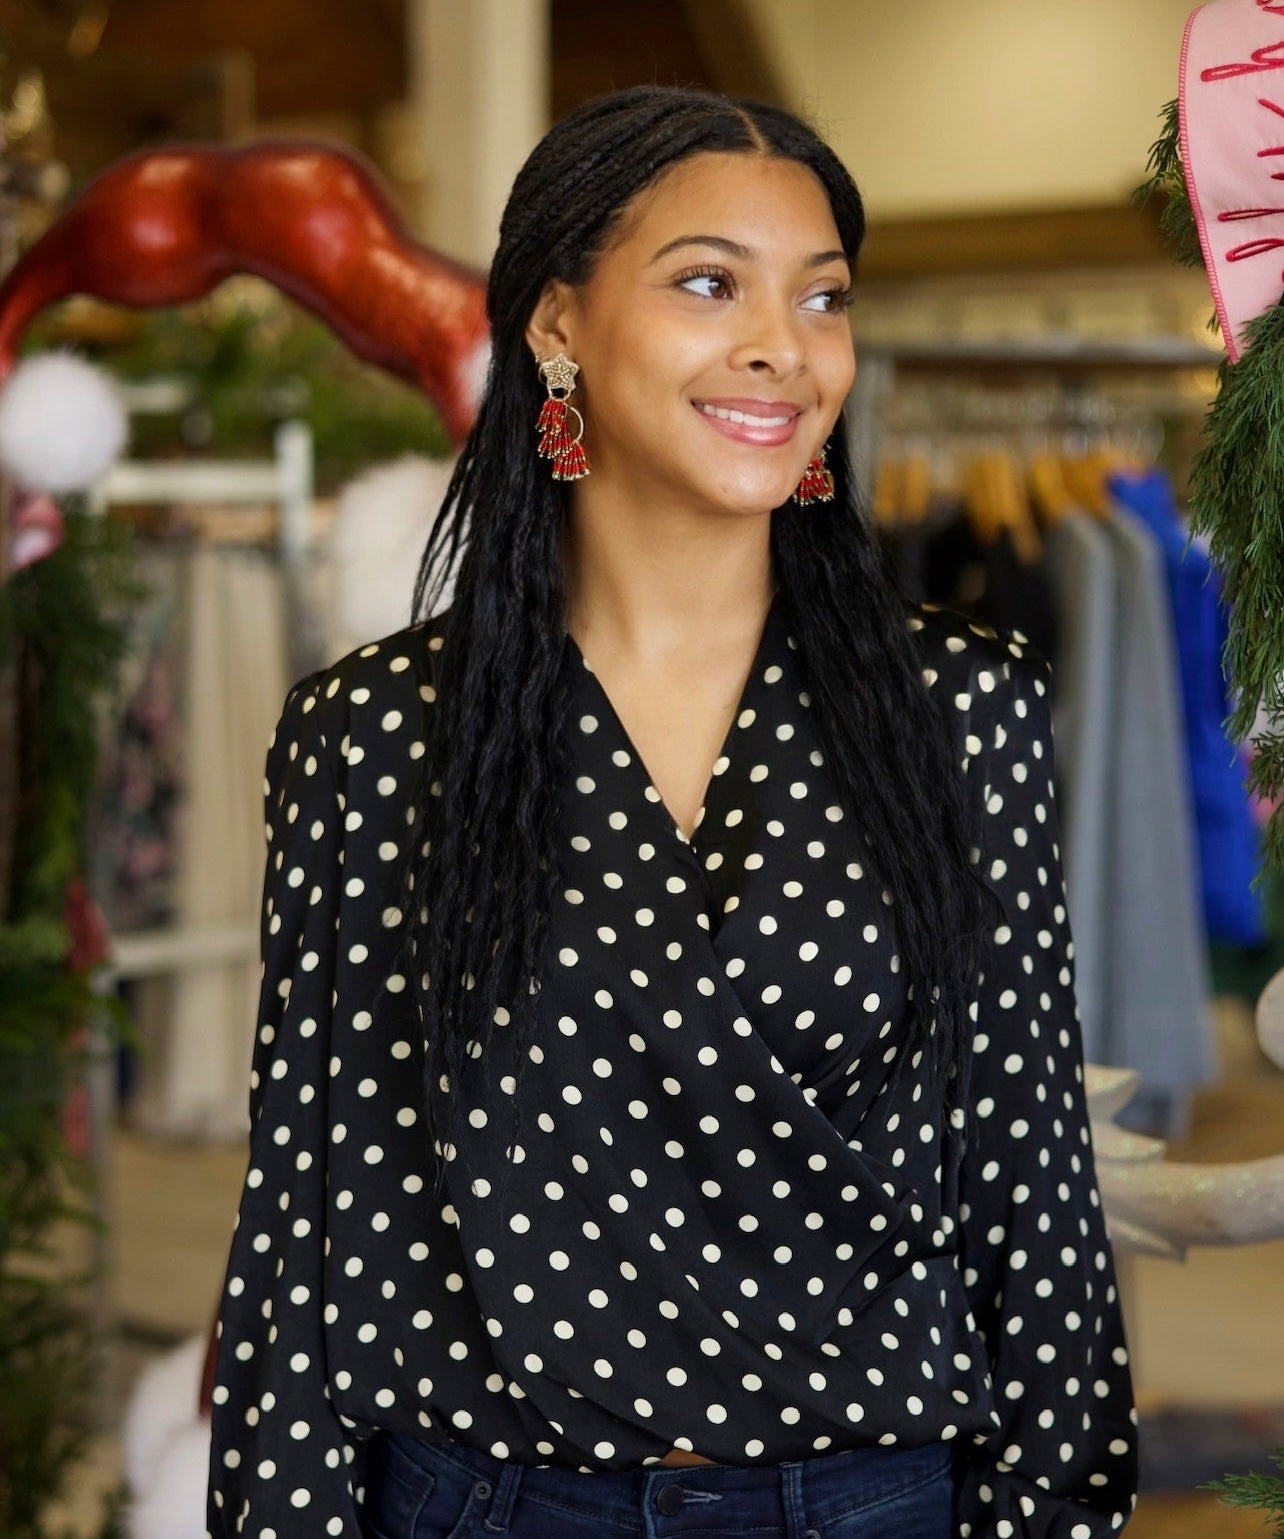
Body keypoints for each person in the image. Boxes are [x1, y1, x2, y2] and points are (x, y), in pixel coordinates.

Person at [206, 85, 1139, 1539]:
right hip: (489, 1504)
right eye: (710, 282)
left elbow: (1027, 1168)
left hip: (871, 1498)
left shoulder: (959, 712)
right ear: (557, 324)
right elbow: (316, 1222)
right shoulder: (376, 738)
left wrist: (1056, 1511)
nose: (785, 346)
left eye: (822, 298)